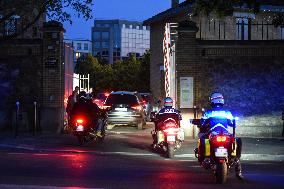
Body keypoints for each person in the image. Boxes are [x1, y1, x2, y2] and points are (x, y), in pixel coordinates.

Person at [198, 92, 244, 180]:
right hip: (225, 134)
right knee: (237, 141)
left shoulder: (208, 112)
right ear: (222, 101)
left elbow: (202, 123)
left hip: (213, 134)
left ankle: (204, 158)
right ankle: (238, 170)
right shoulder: (227, 112)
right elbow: (231, 124)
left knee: (203, 139)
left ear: (211, 101)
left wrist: (204, 124)